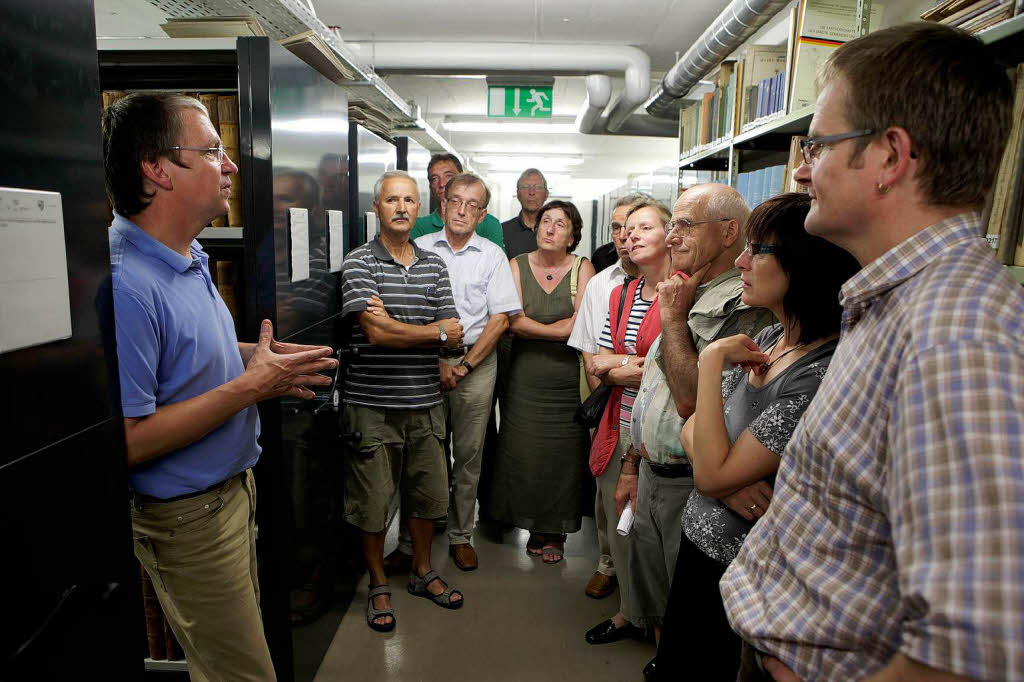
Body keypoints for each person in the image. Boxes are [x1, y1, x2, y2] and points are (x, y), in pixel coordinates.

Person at [720, 23, 1024, 682]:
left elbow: (975, 645)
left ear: (890, 156)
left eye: (821, 144)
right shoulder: (892, 303)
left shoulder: (956, 333)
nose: (803, 168)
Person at [104, 93, 338, 681]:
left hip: (231, 493)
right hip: (187, 517)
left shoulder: (187, 254)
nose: (230, 166)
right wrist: (253, 387)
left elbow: (189, 356)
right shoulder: (127, 284)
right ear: (157, 169)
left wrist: (260, 361)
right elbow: (129, 441)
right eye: (211, 152)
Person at [650, 193, 859, 681]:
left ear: (802, 266)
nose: (742, 261)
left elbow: (707, 466)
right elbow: (694, 432)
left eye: (758, 250)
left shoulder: (816, 373)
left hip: (743, 571)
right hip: (699, 548)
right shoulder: (767, 342)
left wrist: (709, 362)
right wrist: (725, 477)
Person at [603, 184, 773, 659]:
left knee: (693, 631)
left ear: (728, 233)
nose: (671, 236)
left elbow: (686, 400)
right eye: (671, 223)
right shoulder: (684, 284)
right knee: (660, 613)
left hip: (693, 486)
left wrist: (674, 319)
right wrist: (634, 465)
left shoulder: (746, 302)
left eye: (683, 224)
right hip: (655, 477)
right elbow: (651, 391)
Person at [373, 173, 521, 572]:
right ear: (442, 205)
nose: (462, 210)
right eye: (456, 201)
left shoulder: (491, 256)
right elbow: (404, 313)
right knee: (419, 454)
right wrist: (437, 361)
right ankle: (408, 541)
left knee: (468, 457)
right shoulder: (416, 248)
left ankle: (460, 535)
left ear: (483, 213)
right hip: (423, 364)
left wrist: (466, 365)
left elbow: (500, 319)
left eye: (472, 205)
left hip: (476, 363)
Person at [339, 170, 466, 632]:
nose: (401, 208)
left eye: (409, 200)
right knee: (372, 501)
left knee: (428, 496)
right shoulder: (359, 263)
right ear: (376, 208)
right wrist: (431, 333)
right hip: (371, 406)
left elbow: (455, 334)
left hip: (426, 404)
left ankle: (421, 570)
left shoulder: (435, 265)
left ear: (419, 208)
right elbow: (374, 333)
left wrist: (409, 331)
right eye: (391, 199)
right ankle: (377, 582)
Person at [581, 200, 671, 644]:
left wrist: (624, 363)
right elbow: (599, 364)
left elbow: (671, 369)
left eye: (644, 227)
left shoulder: (681, 291)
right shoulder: (621, 294)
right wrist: (630, 363)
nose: (630, 236)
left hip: (660, 429)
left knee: (653, 533)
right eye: (626, 229)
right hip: (617, 422)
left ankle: (658, 625)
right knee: (620, 521)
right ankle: (628, 612)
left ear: (672, 234)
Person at [488, 200, 595, 563]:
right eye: (545, 222)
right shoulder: (516, 266)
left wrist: (540, 330)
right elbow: (513, 322)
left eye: (560, 224)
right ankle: (523, 521)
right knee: (522, 450)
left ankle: (553, 531)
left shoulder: (584, 269)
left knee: (563, 454)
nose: (549, 228)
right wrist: (560, 331)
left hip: (568, 381)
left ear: (572, 235)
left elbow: (583, 325)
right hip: (523, 378)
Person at [568, 193, 647, 600]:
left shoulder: (667, 281)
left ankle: (639, 574)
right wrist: (605, 392)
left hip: (642, 395)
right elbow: (589, 351)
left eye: (634, 227)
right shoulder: (602, 282)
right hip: (603, 390)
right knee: (606, 478)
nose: (624, 236)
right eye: (617, 228)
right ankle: (607, 561)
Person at [410, 153, 505, 251]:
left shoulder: (490, 224)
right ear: (430, 186)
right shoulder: (418, 226)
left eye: (448, 176)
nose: (442, 184)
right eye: (434, 178)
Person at [501, 168, 550, 258]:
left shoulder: (554, 231)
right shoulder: (502, 232)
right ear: (518, 194)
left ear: (546, 194)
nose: (531, 192)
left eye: (538, 187)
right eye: (525, 187)